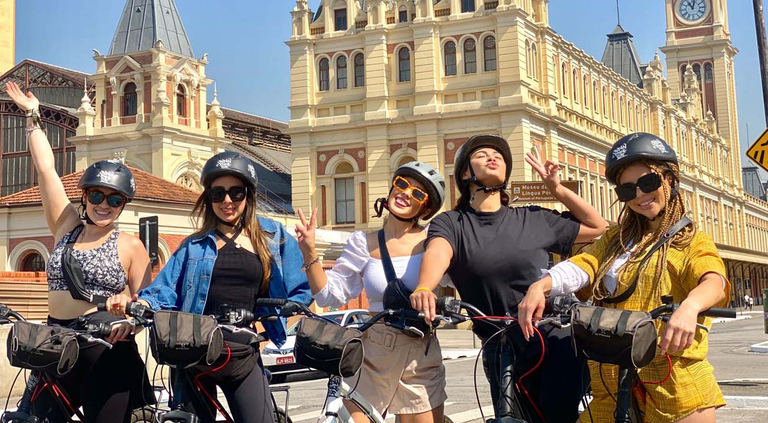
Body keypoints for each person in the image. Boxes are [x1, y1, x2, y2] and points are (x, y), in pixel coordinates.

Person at [518, 132, 730, 423]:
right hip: (612, 383)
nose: (640, 196)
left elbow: (713, 281)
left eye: (648, 183)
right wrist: (542, 285)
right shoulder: (617, 238)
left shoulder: (690, 240)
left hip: (674, 384)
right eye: (628, 190)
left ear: (670, 179)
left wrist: (690, 307)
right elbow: (585, 264)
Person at [410, 134, 608, 423]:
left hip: (551, 335)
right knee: (509, 418)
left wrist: (556, 188)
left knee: (557, 416)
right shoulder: (452, 223)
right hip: (498, 341)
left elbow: (598, 227)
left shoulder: (534, 219)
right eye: (482, 155)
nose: (493, 157)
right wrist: (425, 287)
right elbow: (438, 252)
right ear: (466, 173)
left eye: (499, 156)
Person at [110, 151, 312, 423]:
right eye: (218, 194)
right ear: (208, 198)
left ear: (248, 195)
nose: (227, 201)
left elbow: (302, 291)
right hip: (195, 354)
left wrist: (270, 319)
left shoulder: (273, 236)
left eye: (236, 193)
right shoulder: (193, 245)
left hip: (243, 352)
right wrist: (142, 306)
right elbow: (164, 290)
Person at [5, 82, 154, 423]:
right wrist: (32, 117)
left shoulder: (131, 245)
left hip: (105, 351)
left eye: (115, 200)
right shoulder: (65, 226)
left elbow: (147, 301)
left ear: (123, 206)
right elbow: (47, 171)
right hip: (55, 345)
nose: (105, 205)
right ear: (84, 197)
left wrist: (131, 319)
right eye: (98, 196)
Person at [294, 161, 448, 423]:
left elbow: (465, 279)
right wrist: (310, 252)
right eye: (401, 184)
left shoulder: (436, 241)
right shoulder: (363, 242)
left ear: (426, 207)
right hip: (374, 348)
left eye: (418, 193)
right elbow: (328, 295)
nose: (405, 193)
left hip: (420, 349)